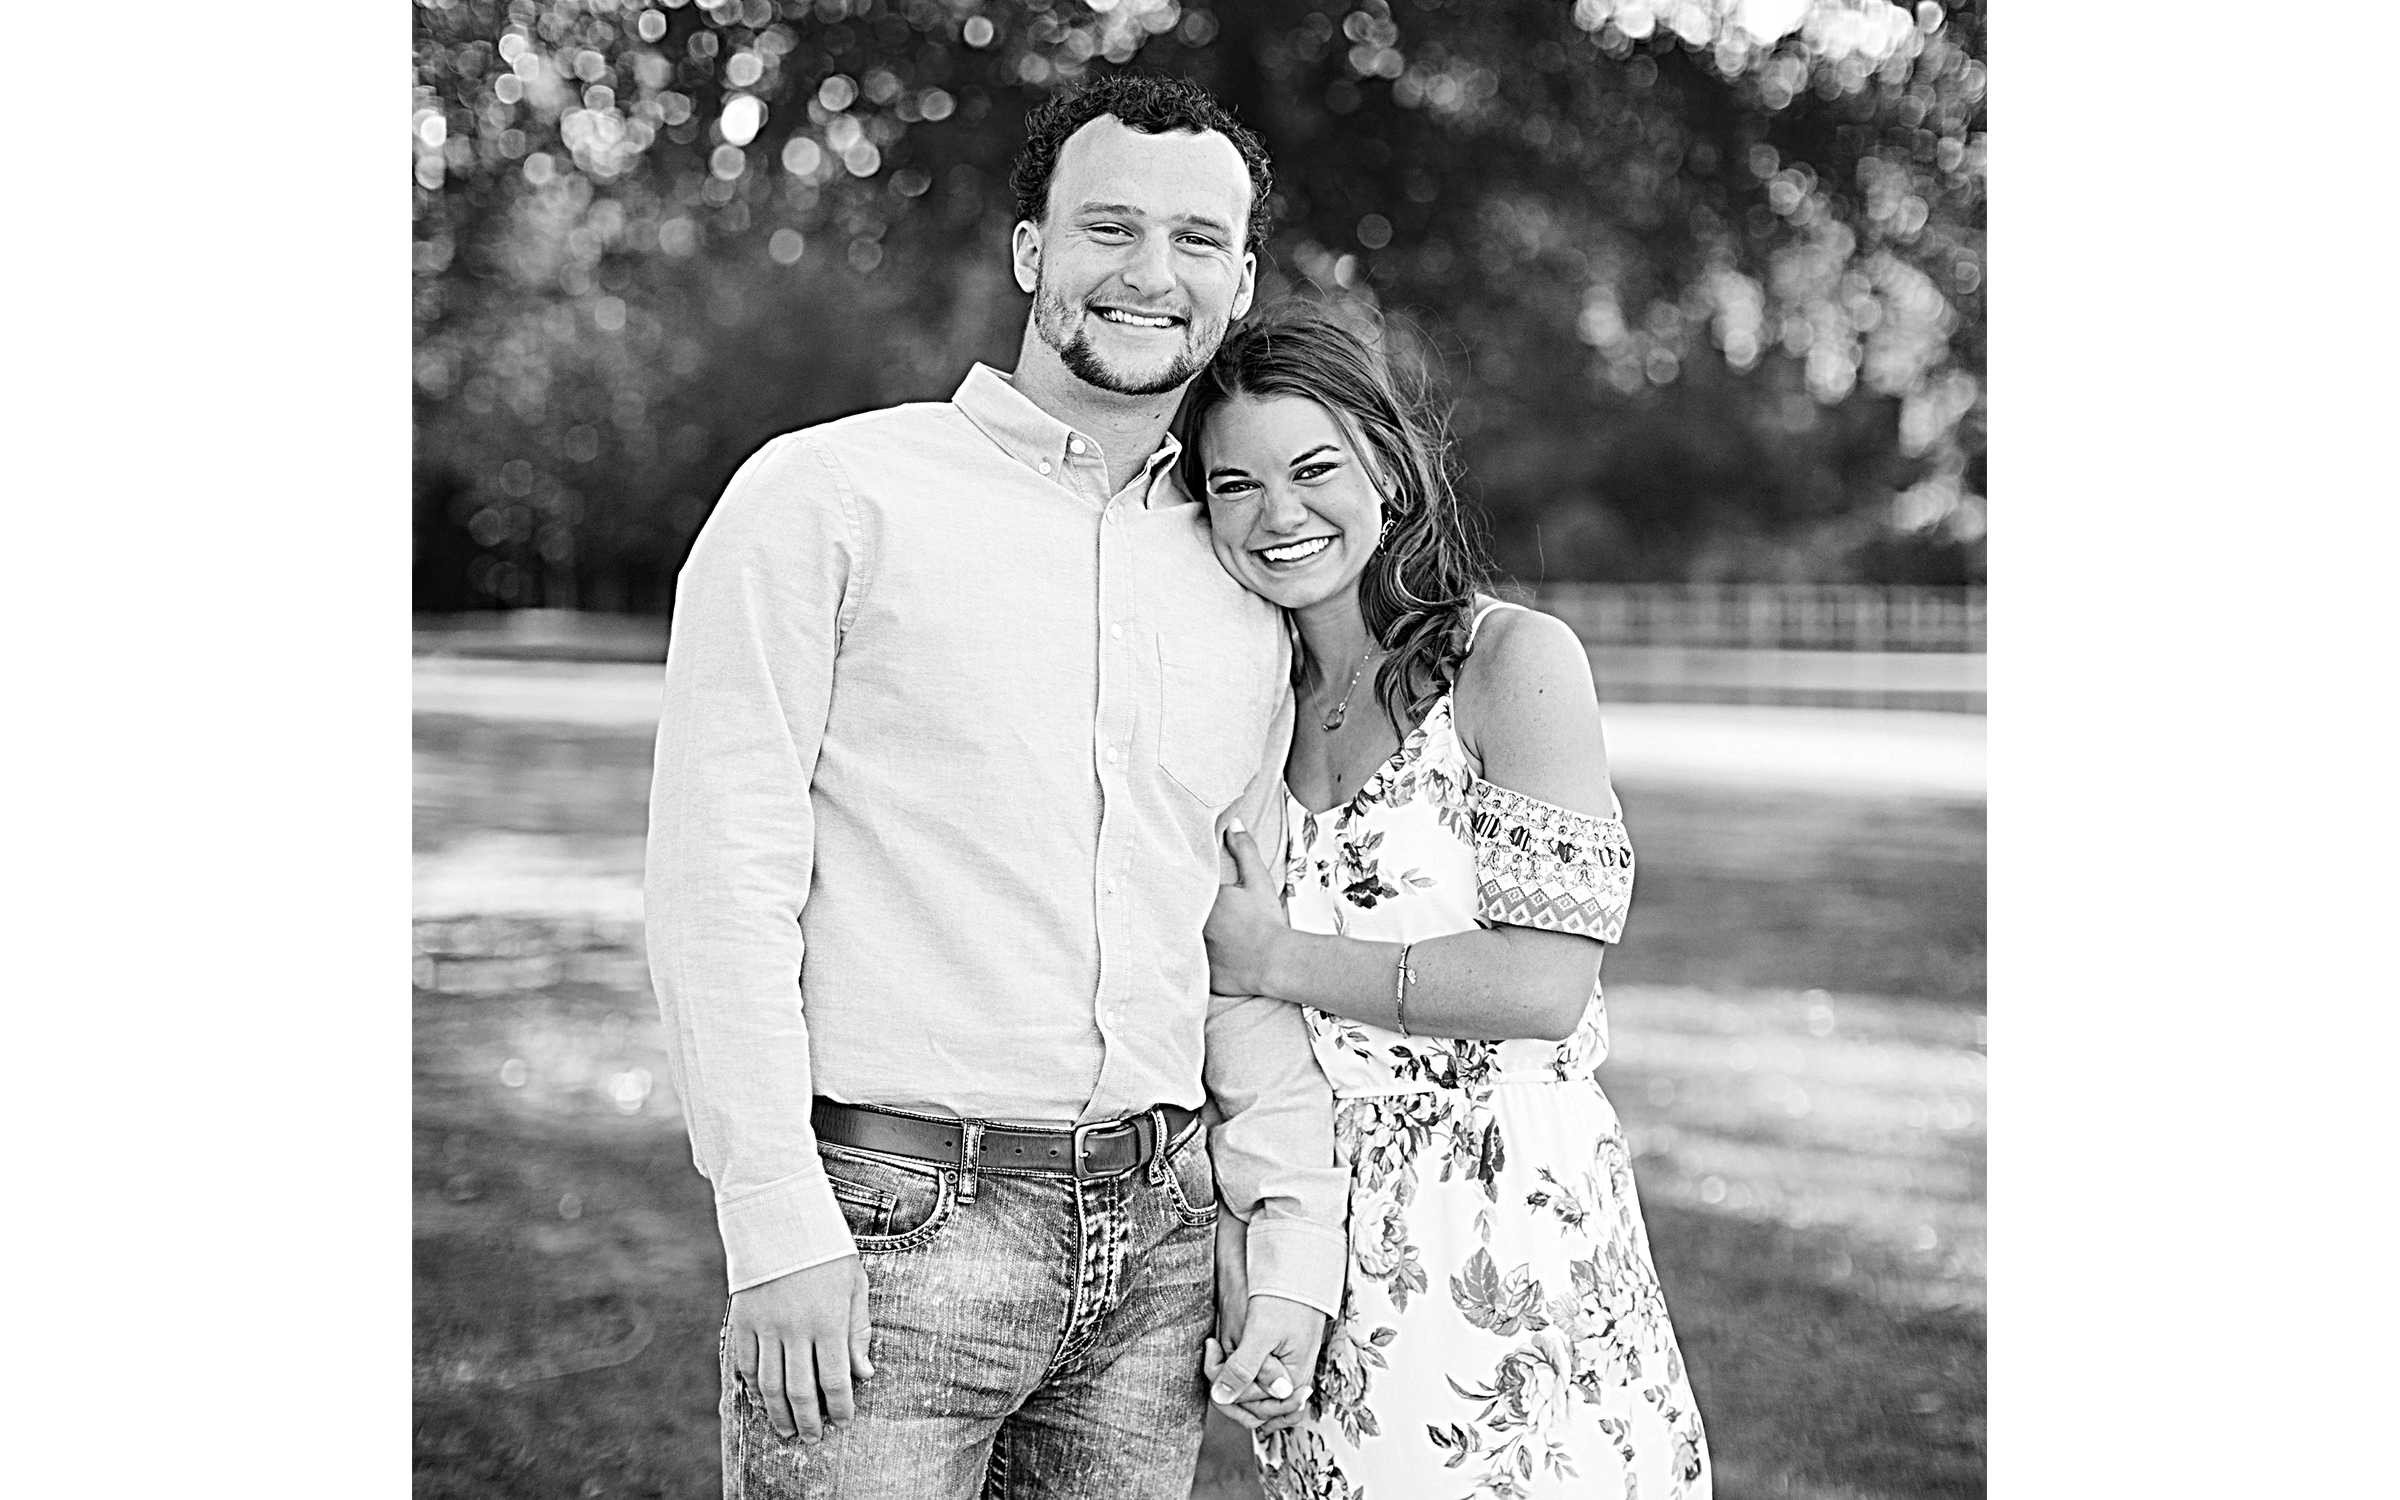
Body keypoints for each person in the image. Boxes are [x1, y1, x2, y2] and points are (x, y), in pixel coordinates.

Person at [642, 76, 1347, 1500]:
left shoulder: (1243, 575)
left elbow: (1237, 942)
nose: (1152, 274)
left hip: (1159, 1255)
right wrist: (774, 1218)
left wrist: (1291, 1241)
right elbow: (719, 876)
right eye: (1110, 228)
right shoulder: (827, 497)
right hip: (890, 1234)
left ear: (1240, 280)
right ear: (1033, 252)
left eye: (1197, 241)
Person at [1187, 311, 1712, 1498]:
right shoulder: (1246, 706)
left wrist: (1278, 956)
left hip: (1513, 1214)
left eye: (1313, 468)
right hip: (1327, 1239)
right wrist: (1263, 1259)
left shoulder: (1512, 663)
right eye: (1235, 484)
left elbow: (1542, 983)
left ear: (1386, 464)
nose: (1278, 514)